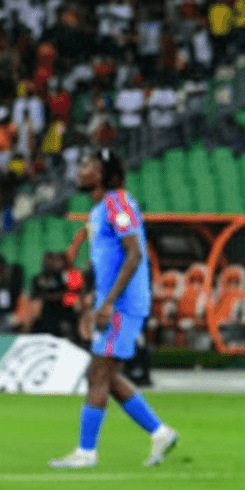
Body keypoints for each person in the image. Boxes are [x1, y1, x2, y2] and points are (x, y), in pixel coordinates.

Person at [50, 150, 179, 469]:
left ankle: (86, 452)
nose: (81, 170)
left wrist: (108, 303)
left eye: (89, 165)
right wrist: (92, 301)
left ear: (104, 173)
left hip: (123, 304)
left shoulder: (118, 203)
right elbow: (107, 264)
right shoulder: (98, 210)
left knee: (98, 372)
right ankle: (160, 432)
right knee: (109, 376)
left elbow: (134, 254)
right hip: (112, 303)